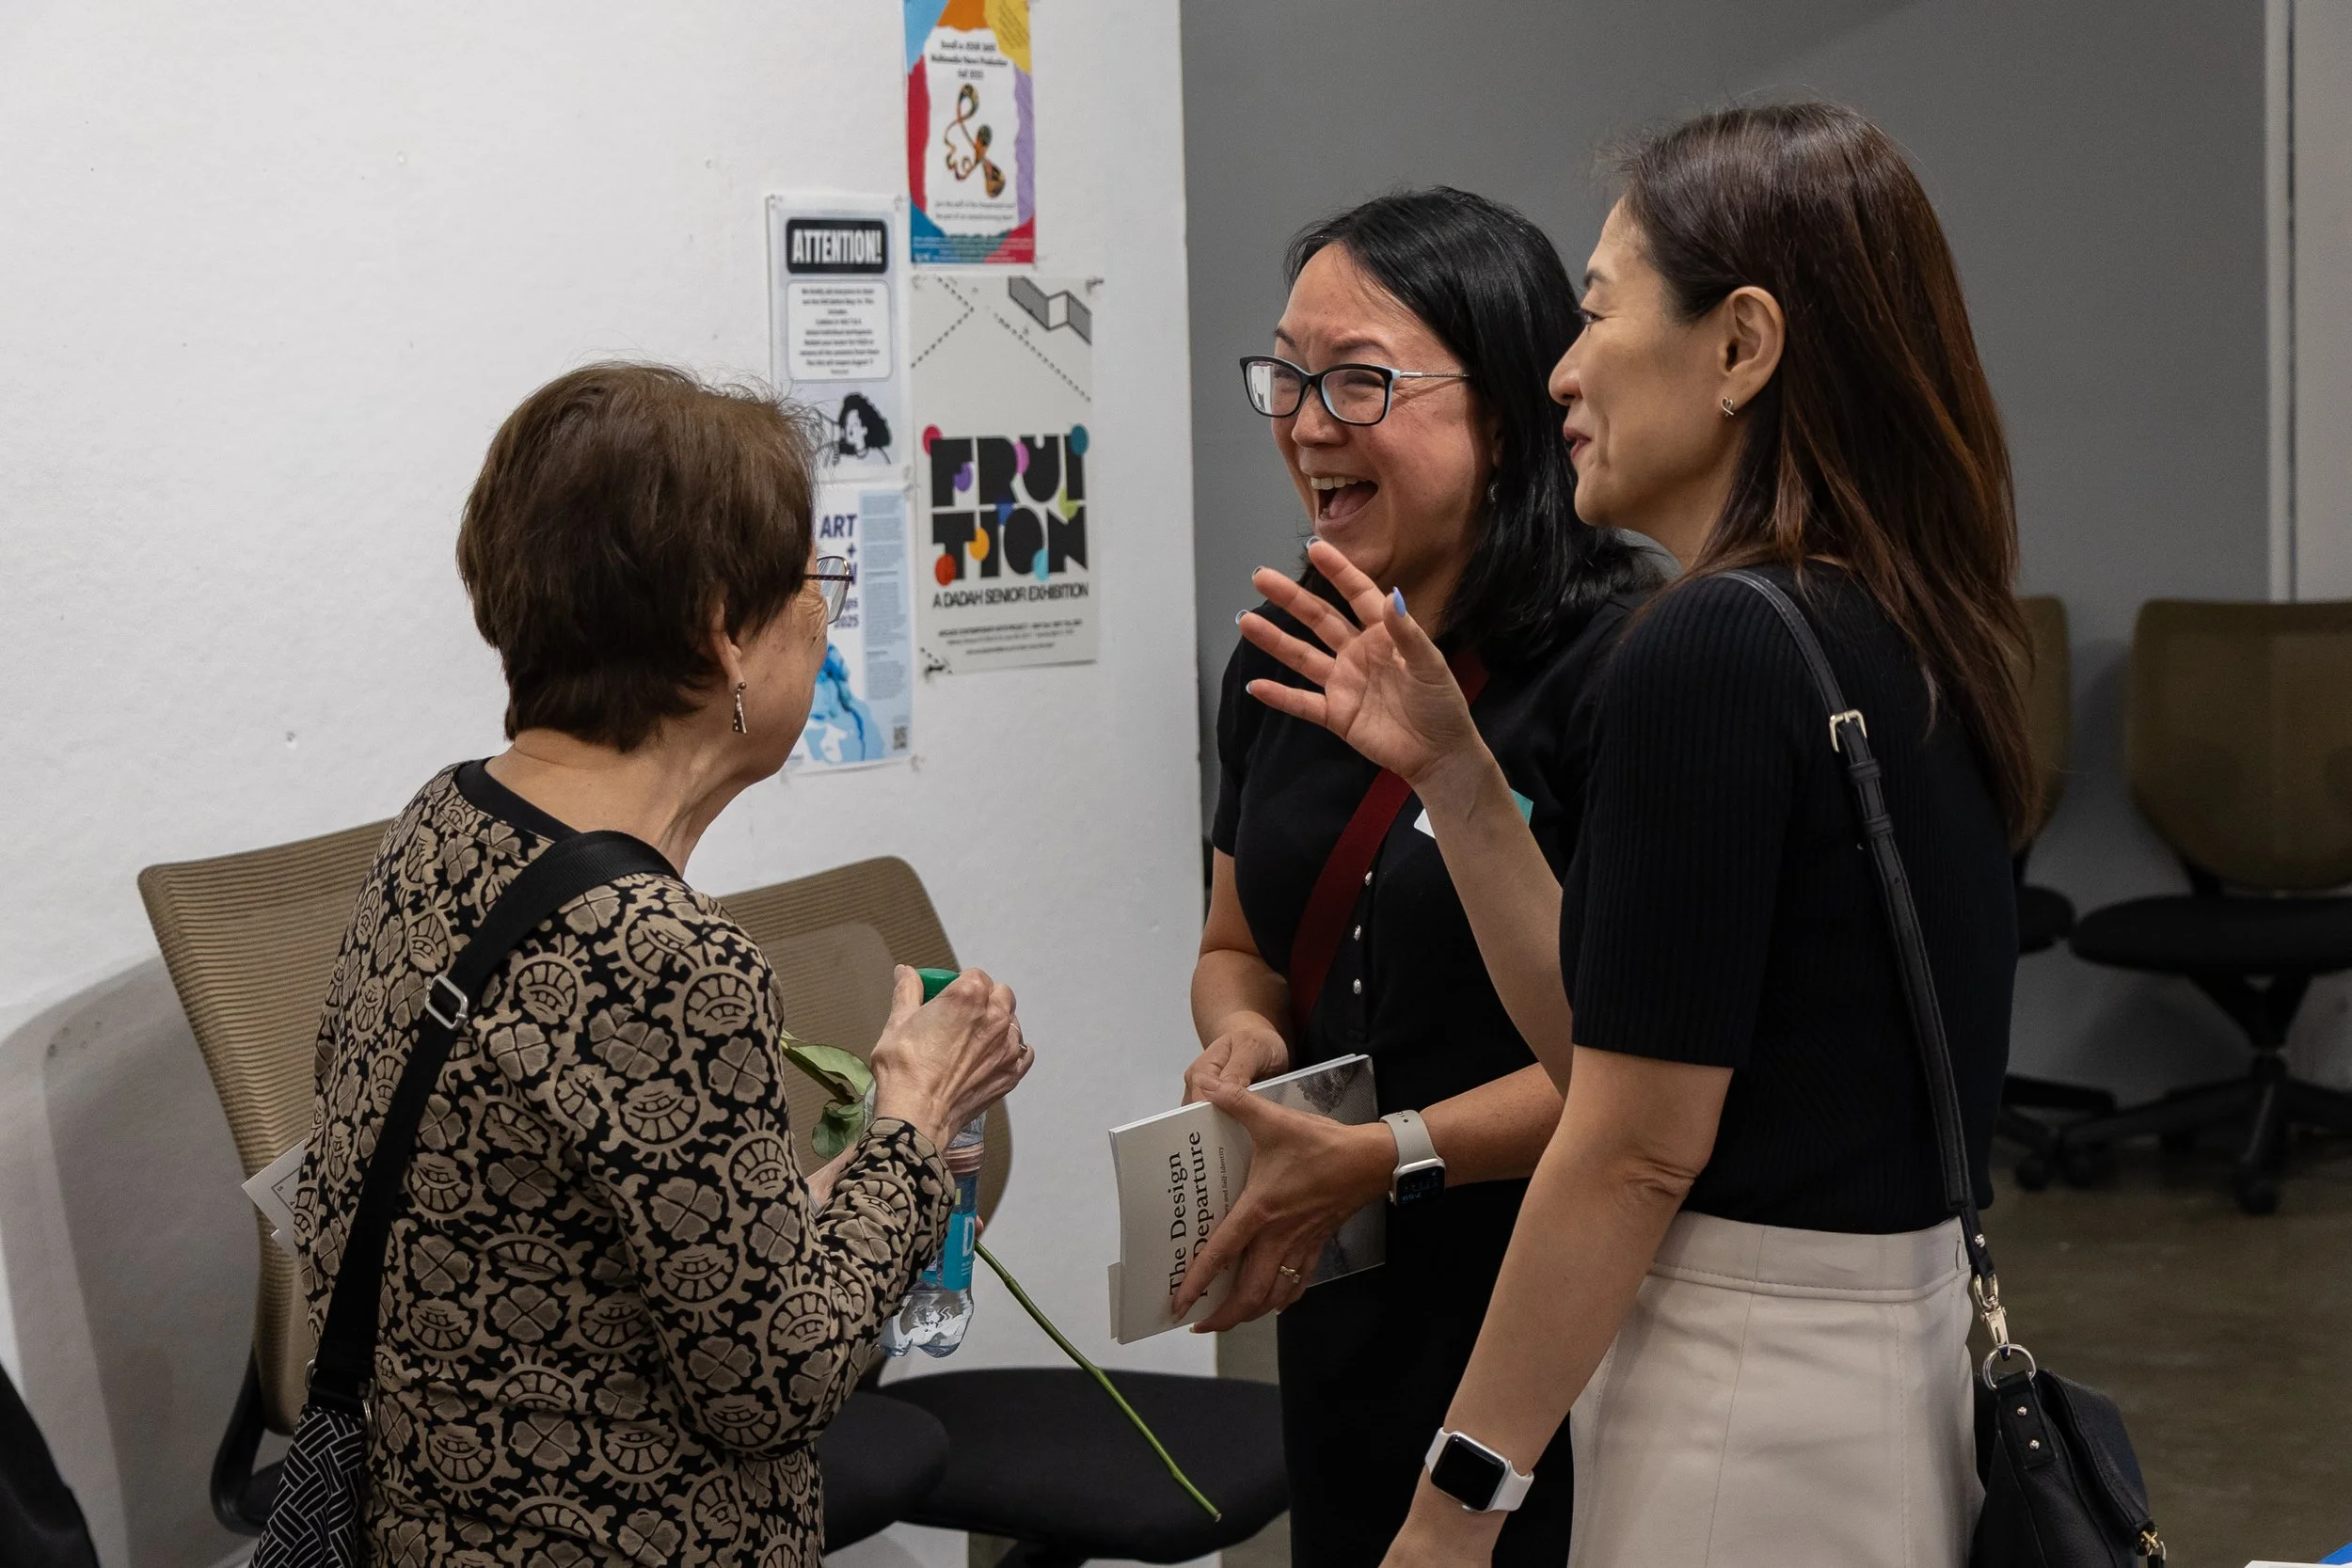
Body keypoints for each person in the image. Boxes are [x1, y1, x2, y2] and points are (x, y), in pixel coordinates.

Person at [1239, 103, 2028, 1568]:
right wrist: (1462, 781)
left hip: (1746, 1397)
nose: (1563, 371)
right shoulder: (1904, 617)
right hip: (1883, 1372)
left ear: (1740, 345)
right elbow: (1608, 1042)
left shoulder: (1706, 645)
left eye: (1597, 314)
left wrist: (1449, 1505)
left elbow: (1628, 1150)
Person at [295, 363, 1032, 1568]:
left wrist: (844, 1176)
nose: (827, 619)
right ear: (722, 632)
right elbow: (776, 1381)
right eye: (815, 588)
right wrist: (916, 1108)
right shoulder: (662, 956)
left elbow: (615, 1257)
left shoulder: (440, 829)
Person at [1174, 188, 1661, 1568]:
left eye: (1361, 380)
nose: (1308, 421)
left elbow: (1643, 1065)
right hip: (1343, 1280)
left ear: (1504, 413)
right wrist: (1246, 1035)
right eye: (1289, 374)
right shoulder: (1285, 654)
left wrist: (1386, 1154)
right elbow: (1237, 942)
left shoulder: (1622, 670)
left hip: (1555, 1292)